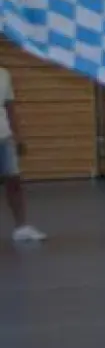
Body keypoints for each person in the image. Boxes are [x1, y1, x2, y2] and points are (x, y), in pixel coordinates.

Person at [0, 65, 45, 243]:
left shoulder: (4, 74)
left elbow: (10, 108)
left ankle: (21, 227)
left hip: (4, 136)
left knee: (14, 182)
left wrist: (18, 136)